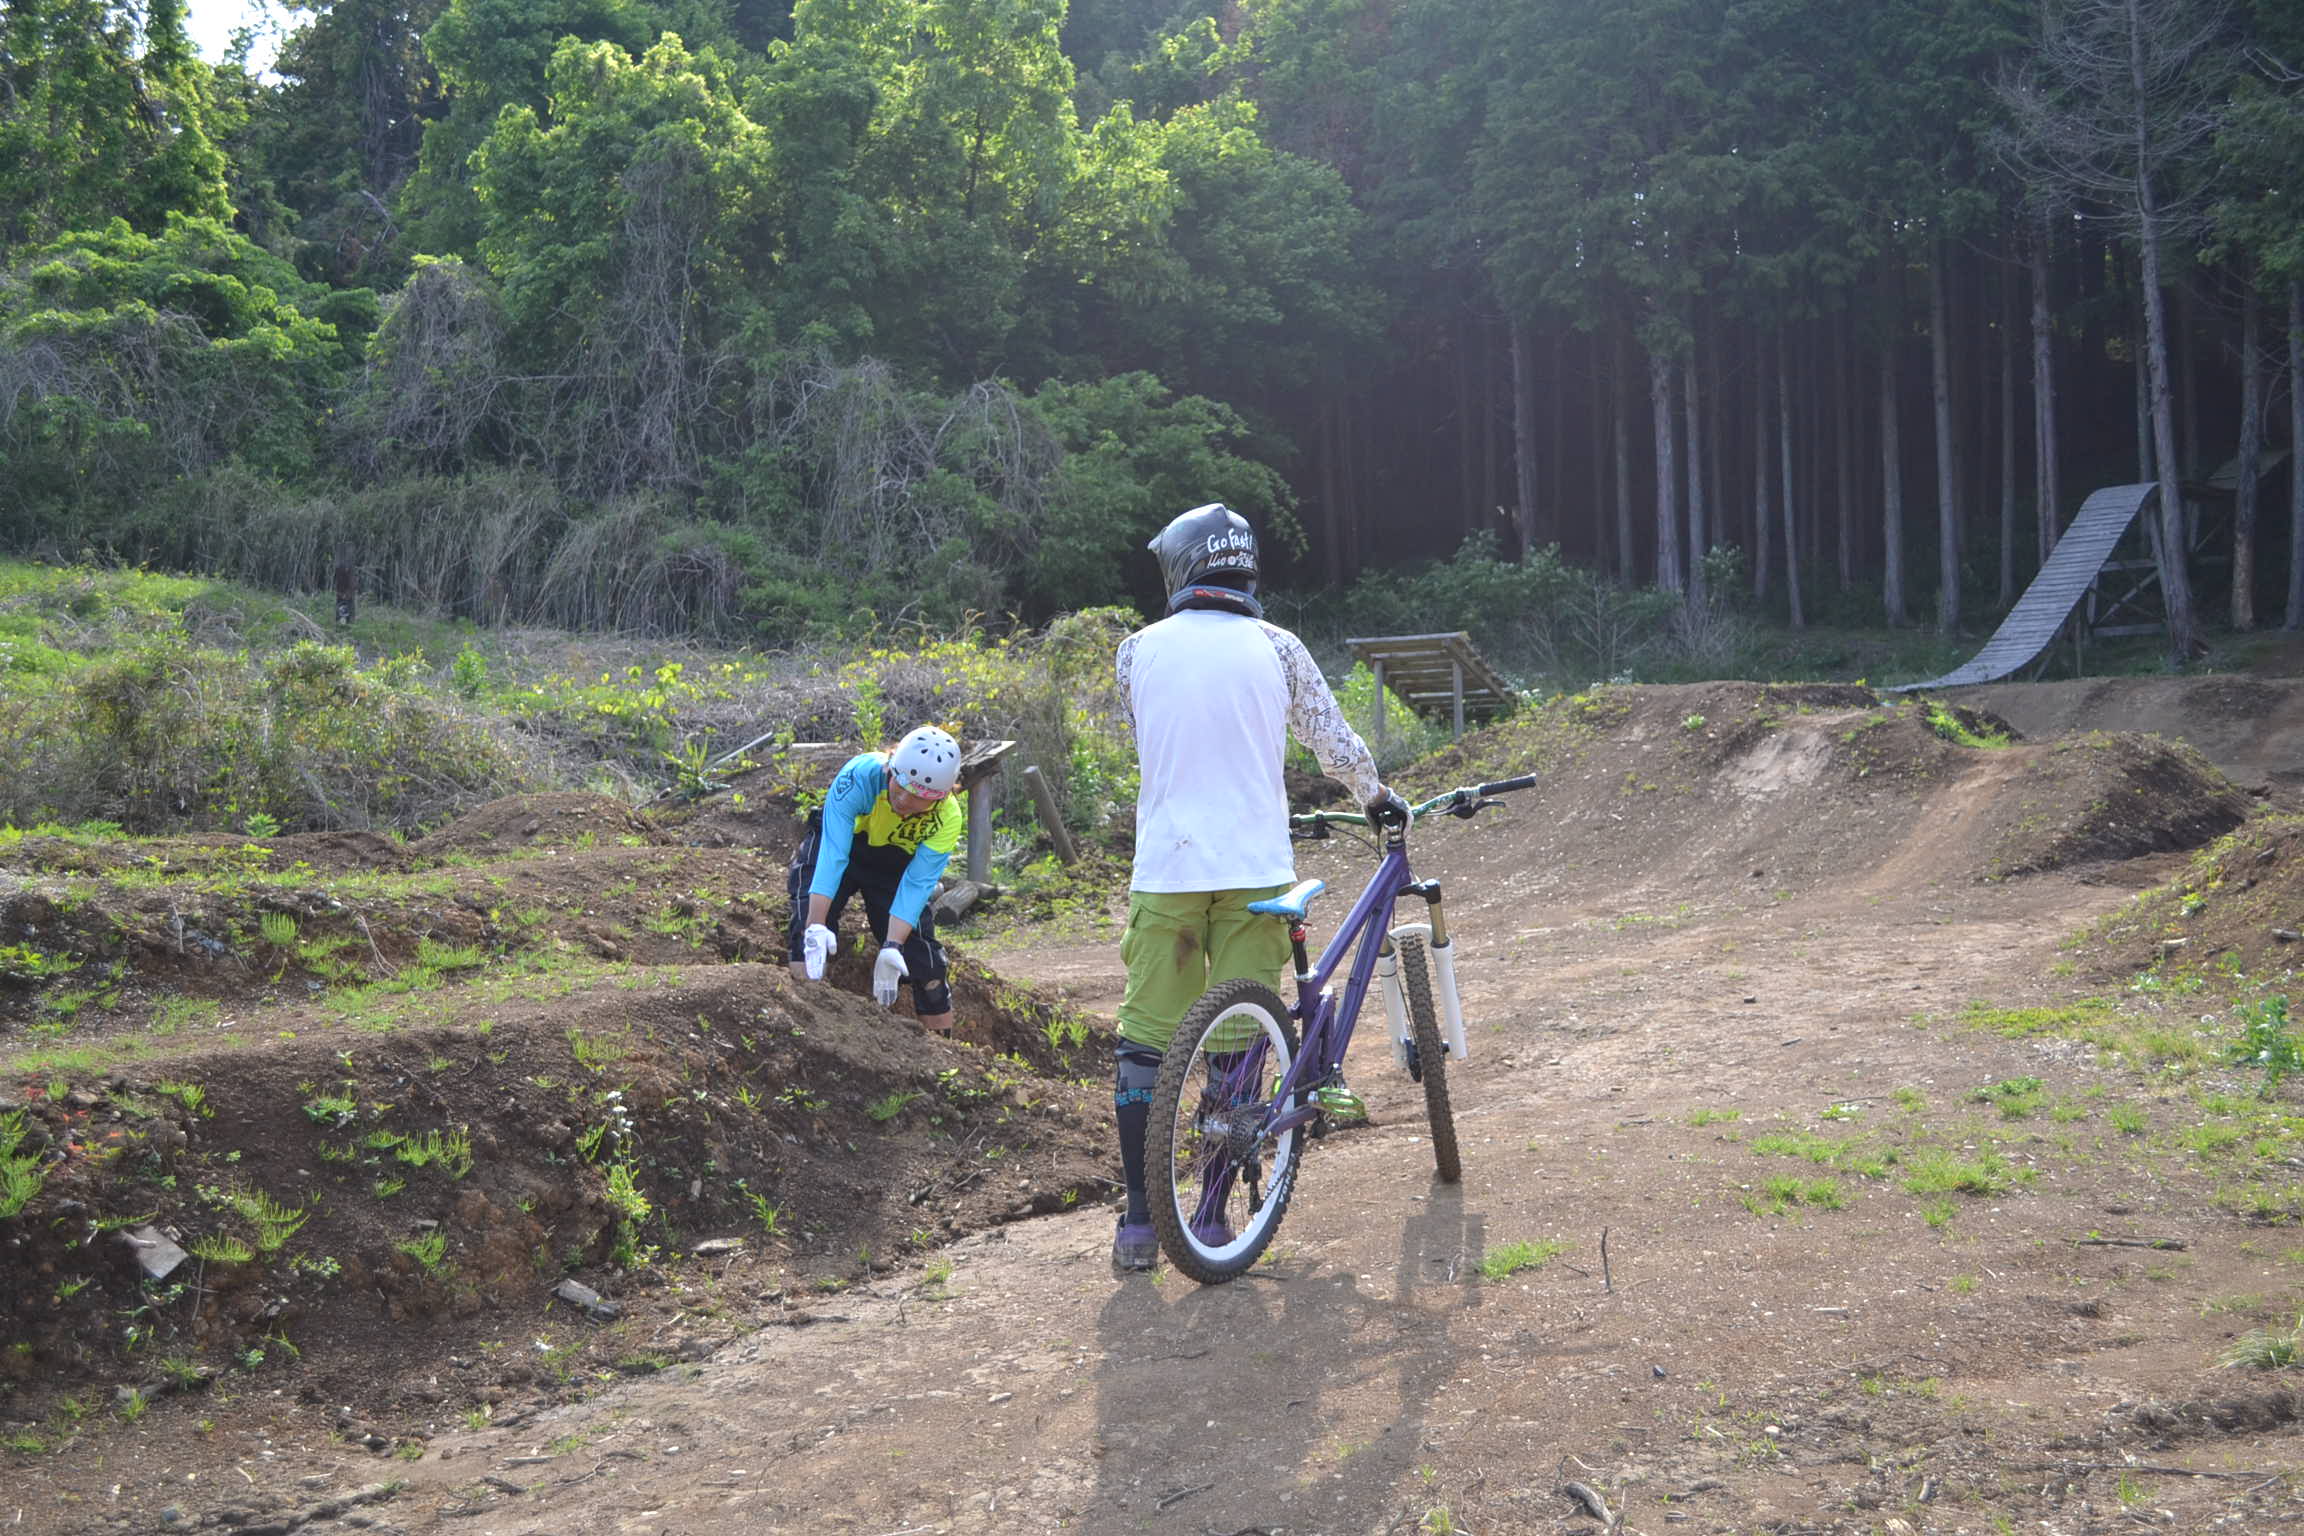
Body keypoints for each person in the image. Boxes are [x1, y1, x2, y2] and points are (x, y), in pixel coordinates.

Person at [1108, 503, 1409, 1270]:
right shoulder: (1279, 647)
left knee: (1146, 1045)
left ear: (1181, 568)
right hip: (1255, 871)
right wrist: (1374, 795)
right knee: (1238, 1040)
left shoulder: (1135, 652)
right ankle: (1211, 1218)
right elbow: (1332, 742)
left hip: (1168, 871)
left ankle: (1139, 1223)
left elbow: (1149, 742)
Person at [788, 724, 967, 1034]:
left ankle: (946, 1053)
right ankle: (806, 1031)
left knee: (924, 961)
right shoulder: (859, 775)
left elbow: (917, 883)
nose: (903, 800)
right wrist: (816, 924)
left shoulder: (947, 817)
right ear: (890, 768)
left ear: (939, 798)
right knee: (807, 930)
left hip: (894, 861)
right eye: (900, 786)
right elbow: (833, 853)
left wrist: (893, 945)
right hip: (844, 843)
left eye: (917, 798)